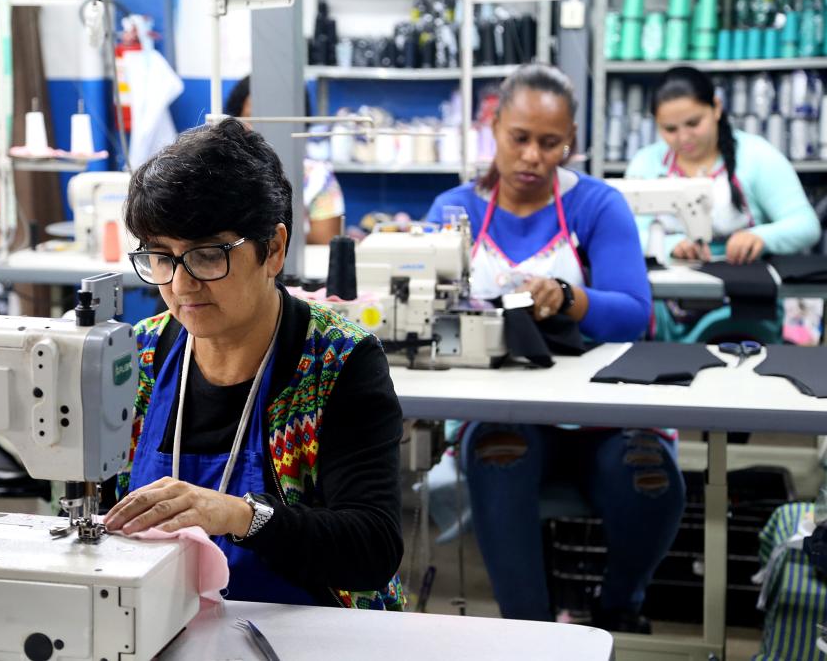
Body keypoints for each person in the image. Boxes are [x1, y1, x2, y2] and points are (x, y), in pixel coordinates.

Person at [104, 118, 404, 610]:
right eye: (161, 257)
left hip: (314, 634)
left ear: (275, 249)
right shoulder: (137, 357)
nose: (180, 286)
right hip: (162, 619)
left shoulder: (339, 364)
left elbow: (372, 548)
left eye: (207, 255)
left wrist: (242, 516)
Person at [425, 64, 685, 631]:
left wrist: (568, 298)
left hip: (601, 415)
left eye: (552, 143)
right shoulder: (453, 210)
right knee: (500, 456)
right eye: (520, 138)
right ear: (494, 127)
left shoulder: (596, 205)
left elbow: (634, 314)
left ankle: (617, 609)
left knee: (649, 478)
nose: (534, 157)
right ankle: (533, 635)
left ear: (569, 141)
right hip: (503, 409)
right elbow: (430, 324)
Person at [626, 66, 821, 342]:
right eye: (670, 129)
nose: (683, 137)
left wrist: (760, 237)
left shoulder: (757, 157)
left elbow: (806, 225)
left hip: (747, 305)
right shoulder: (646, 163)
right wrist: (670, 245)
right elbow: (629, 233)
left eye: (693, 123)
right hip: (668, 307)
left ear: (716, 108)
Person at [226, 75, 347, 245]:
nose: (264, 130)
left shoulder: (318, 178)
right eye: (252, 118)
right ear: (236, 120)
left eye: (277, 117)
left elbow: (326, 241)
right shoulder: (223, 173)